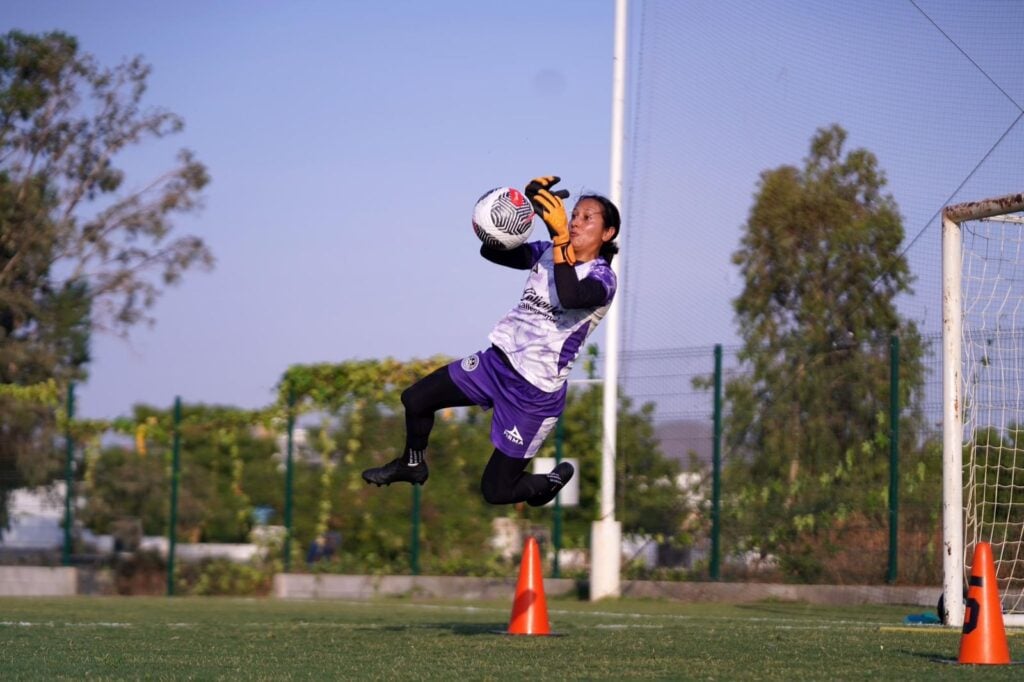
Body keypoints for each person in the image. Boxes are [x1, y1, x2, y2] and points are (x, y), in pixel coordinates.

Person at [362, 175, 620, 507]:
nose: (575, 222)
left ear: (607, 233)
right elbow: (491, 251)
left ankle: (547, 482)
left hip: (533, 395)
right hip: (494, 365)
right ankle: (412, 463)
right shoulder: (547, 252)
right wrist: (520, 214)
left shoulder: (603, 279)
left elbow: (571, 296)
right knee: (416, 399)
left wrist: (557, 237)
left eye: (587, 218)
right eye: (573, 215)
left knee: (496, 492)